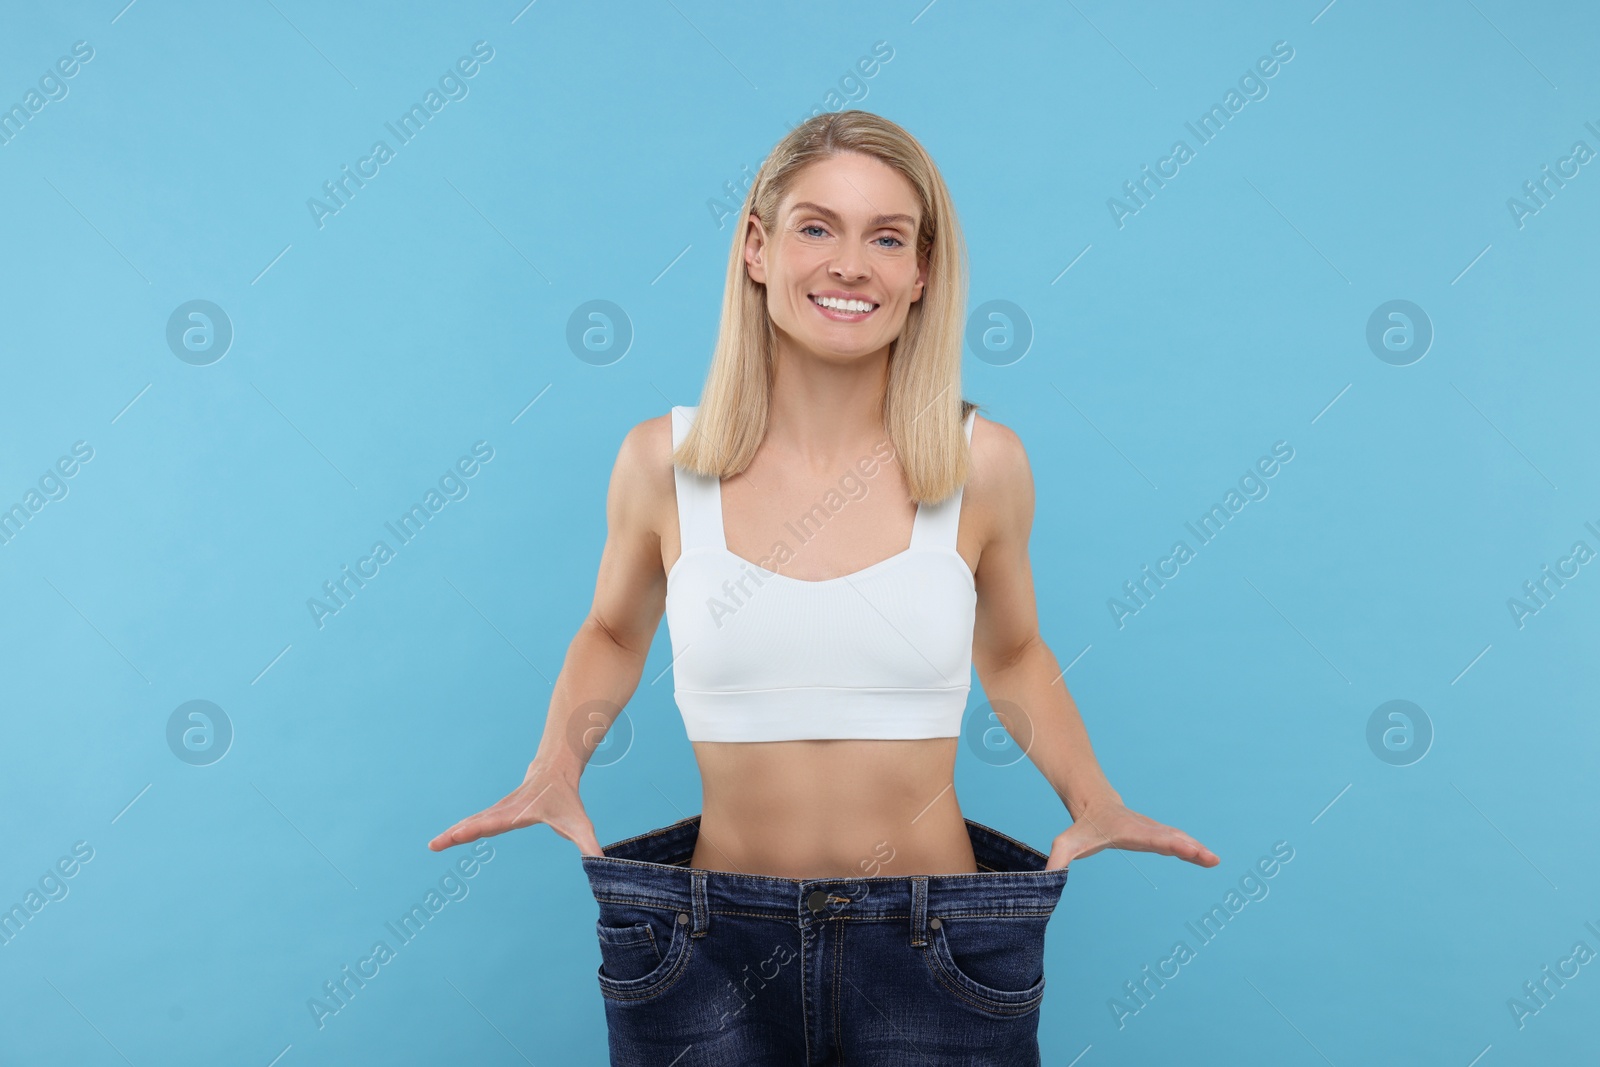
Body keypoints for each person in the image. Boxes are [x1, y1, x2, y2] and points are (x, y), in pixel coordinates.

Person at [430, 109, 1218, 1065]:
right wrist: (555, 768)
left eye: (887, 238)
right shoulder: (662, 461)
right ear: (756, 249)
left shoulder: (984, 464)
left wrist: (1092, 796)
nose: (851, 264)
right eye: (817, 227)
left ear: (922, 271)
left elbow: (1012, 651)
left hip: (936, 952)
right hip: (711, 948)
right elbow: (610, 631)